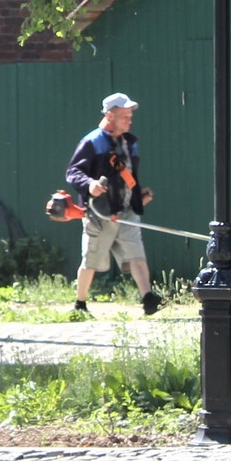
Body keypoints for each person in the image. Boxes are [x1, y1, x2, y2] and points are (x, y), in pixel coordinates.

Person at [65, 92, 163, 316]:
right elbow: (73, 172)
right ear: (110, 115)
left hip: (127, 211)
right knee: (90, 260)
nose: (130, 120)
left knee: (137, 254)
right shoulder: (91, 142)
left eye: (130, 116)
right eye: (124, 116)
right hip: (101, 213)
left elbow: (128, 176)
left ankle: (148, 299)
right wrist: (89, 185)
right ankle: (80, 304)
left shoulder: (130, 143)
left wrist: (139, 195)